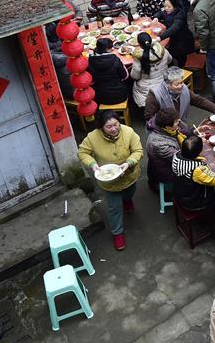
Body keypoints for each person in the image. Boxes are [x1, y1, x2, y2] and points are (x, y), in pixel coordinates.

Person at [77, 111, 143, 251]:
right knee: (114, 208)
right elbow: (83, 152)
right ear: (101, 127)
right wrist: (93, 164)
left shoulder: (128, 132)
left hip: (129, 175)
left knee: (130, 192)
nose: (114, 129)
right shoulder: (92, 137)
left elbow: (138, 150)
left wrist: (129, 162)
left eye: (116, 124)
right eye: (109, 126)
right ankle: (117, 233)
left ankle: (127, 199)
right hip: (108, 180)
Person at [144, 66, 215, 120]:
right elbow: (149, 117)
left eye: (182, 82)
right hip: (164, 131)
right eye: (177, 84)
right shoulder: (154, 95)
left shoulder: (183, 89)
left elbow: (198, 100)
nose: (181, 86)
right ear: (167, 84)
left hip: (180, 126)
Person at [171, 135, 215, 211]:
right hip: (194, 202)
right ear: (198, 152)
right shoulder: (196, 170)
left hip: (180, 193)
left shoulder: (177, 155)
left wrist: (199, 159)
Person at [145, 108, 185, 191]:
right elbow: (181, 159)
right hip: (168, 172)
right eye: (176, 121)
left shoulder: (166, 127)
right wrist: (193, 147)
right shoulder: (159, 144)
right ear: (167, 127)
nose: (179, 121)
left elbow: (182, 132)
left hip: (165, 163)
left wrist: (195, 132)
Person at [130, 32, 173, 110]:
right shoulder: (162, 50)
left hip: (147, 89)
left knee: (133, 85)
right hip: (164, 81)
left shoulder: (139, 58)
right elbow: (170, 60)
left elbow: (135, 76)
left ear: (139, 45)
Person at [87, 37, 130, 105]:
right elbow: (125, 76)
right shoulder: (114, 59)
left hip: (100, 97)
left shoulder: (90, 60)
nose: (112, 49)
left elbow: (91, 80)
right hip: (120, 95)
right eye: (111, 48)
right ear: (107, 49)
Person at [157, 0, 194, 68]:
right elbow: (161, 13)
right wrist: (156, 17)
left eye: (169, 6)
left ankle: (182, 68)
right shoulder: (167, 11)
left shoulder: (180, 14)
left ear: (175, 6)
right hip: (174, 39)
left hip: (184, 40)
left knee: (172, 55)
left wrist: (160, 37)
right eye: (165, 6)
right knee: (168, 54)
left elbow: (174, 28)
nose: (166, 8)